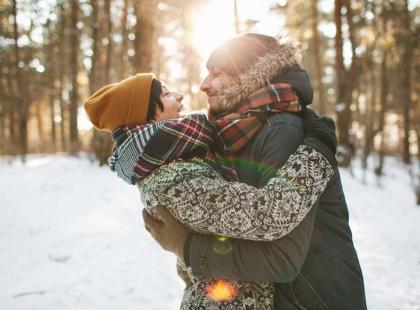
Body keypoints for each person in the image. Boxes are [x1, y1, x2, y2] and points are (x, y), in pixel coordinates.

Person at [143, 33, 367, 309]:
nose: (203, 85)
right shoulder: (237, 130)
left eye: (217, 73)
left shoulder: (282, 130)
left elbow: (282, 259)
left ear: (249, 77)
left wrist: (187, 248)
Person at [84, 72, 337, 308]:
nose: (179, 96)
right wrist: (319, 148)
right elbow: (269, 213)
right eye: (165, 94)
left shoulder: (171, 164)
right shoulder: (175, 181)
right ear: (146, 116)